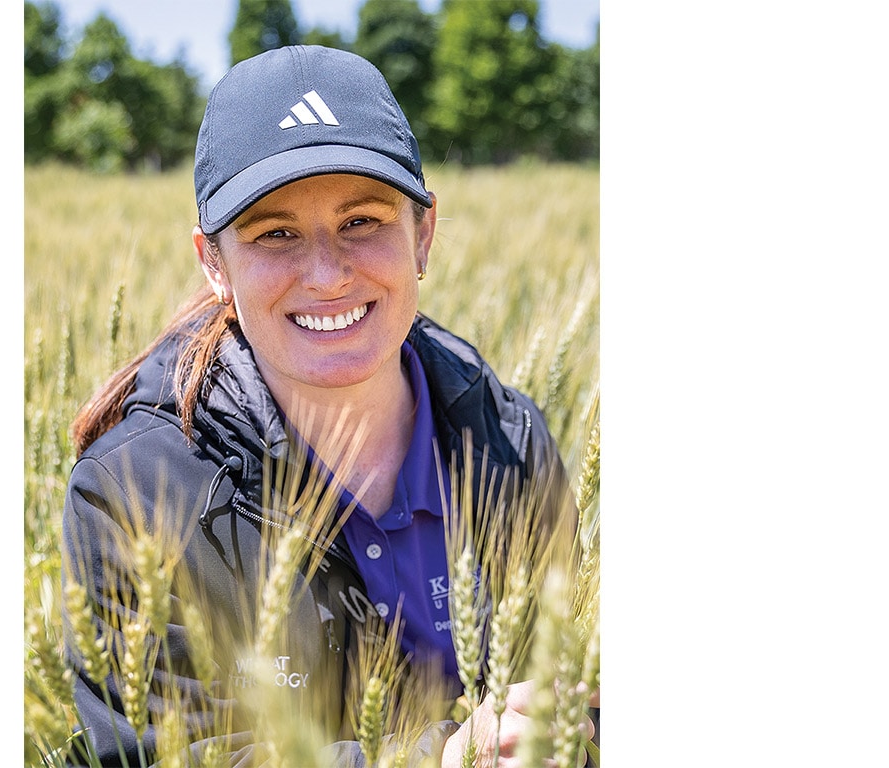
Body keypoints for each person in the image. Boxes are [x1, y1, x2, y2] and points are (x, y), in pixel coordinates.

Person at [61, 45, 592, 767]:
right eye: (275, 233)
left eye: (363, 221)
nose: (327, 274)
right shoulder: (133, 493)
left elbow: (577, 689)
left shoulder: (509, 439)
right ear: (213, 262)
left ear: (423, 234)